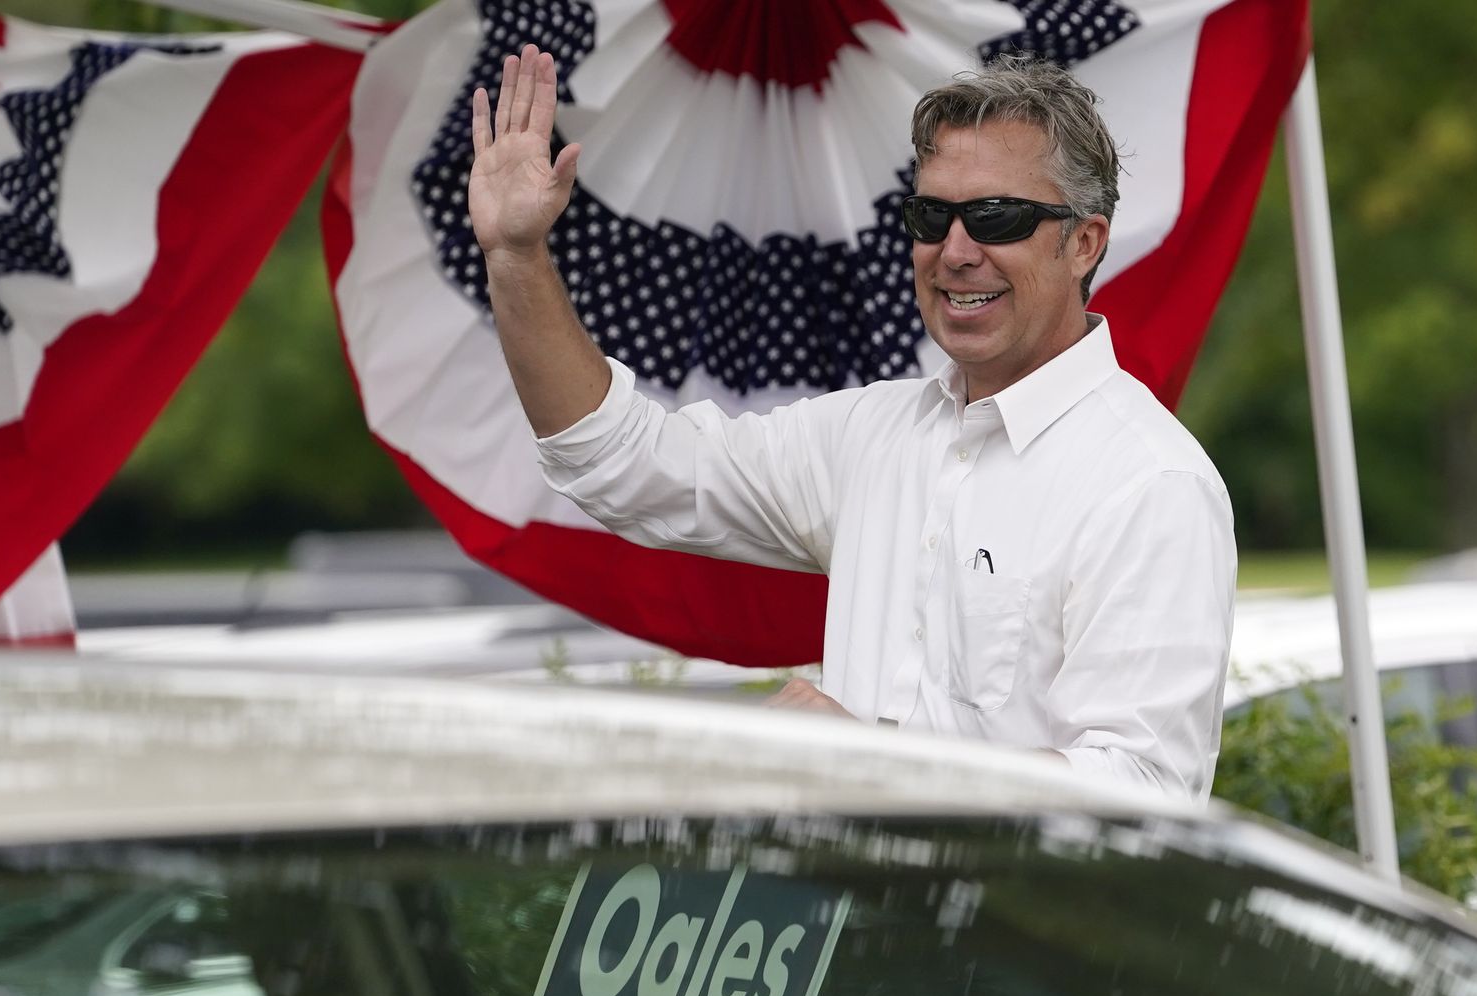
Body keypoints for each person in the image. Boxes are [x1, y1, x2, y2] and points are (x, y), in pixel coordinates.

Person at [467, 45, 1236, 801]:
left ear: (1085, 243)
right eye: (931, 216)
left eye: (996, 217)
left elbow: (1145, 795)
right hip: (843, 893)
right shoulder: (874, 434)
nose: (956, 251)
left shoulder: (1150, 483)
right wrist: (516, 256)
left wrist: (878, 765)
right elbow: (620, 462)